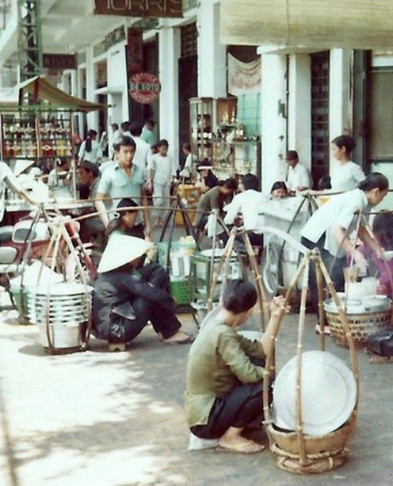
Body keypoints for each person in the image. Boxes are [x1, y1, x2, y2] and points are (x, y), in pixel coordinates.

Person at [185, 280, 289, 453]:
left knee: (258, 365)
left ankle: (234, 426)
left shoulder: (218, 327)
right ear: (248, 313)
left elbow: (260, 350)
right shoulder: (223, 334)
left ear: (222, 302)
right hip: (205, 420)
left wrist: (275, 318)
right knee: (264, 385)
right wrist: (270, 378)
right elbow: (248, 374)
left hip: (206, 411)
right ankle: (230, 437)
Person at [300, 172, 389, 329]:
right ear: (376, 191)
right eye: (383, 196)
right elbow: (337, 230)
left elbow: (361, 230)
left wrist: (377, 249)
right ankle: (323, 323)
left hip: (328, 236)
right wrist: (354, 252)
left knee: (336, 278)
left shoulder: (363, 202)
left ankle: (338, 318)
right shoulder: (356, 200)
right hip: (317, 236)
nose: (382, 200)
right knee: (319, 280)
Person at [92, 234, 190, 352]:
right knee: (150, 296)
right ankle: (169, 332)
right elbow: (151, 294)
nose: (139, 258)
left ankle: (163, 326)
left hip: (115, 319)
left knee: (156, 271)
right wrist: (170, 300)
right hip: (117, 329)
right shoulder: (122, 277)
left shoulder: (111, 275)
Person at [95, 135, 152, 240]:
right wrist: (107, 223)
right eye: (125, 152)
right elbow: (98, 200)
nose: (129, 155)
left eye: (132, 151)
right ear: (117, 153)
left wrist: (148, 225)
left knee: (140, 254)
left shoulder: (140, 171)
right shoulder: (109, 173)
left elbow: (144, 199)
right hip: (118, 226)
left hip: (137, 223)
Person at [223, 173, 268, 246]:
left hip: (251, 235)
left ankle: (240, 253)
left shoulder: (240, 197)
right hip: (266, 235)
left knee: (225, 231)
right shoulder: (264, 196)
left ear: (243, 185)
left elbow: (228, 220)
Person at [74, 161, 104, 244]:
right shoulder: (93, 186)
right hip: (97, 216)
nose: (79, 177)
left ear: (90, 174)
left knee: (82, 227)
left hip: (102, 219)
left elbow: (92, 208)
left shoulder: (98, 187)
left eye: (81, 173)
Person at [148, 139, 174, 228]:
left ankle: (162, 220)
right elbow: (151, 169)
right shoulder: (154, 158)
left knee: (167, 202)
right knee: (159, 200)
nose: (165, 151)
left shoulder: (169, 158)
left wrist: (173, 178)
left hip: (167, 182)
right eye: (163, 149)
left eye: (166, 149)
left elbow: (171, 170)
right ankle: (156, 218)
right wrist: (150, 181)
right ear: (159, 148)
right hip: (157, 181)